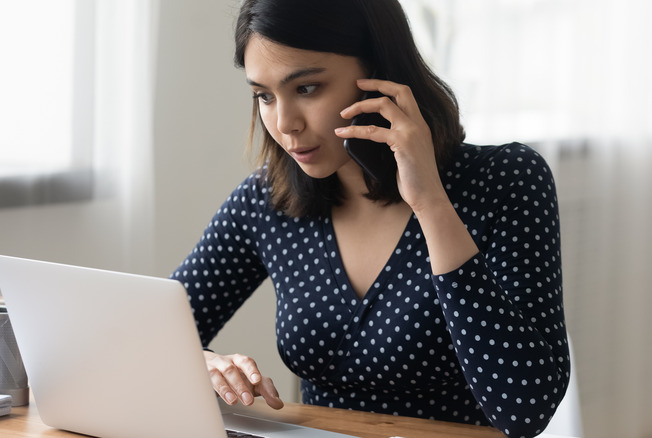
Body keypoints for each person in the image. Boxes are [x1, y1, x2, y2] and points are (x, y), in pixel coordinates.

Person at [170, 0, 570, 437]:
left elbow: (526, 410)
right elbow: (157, 332)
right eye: (264, 96)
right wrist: (205, 363)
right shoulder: (266, 201)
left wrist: (431, 204)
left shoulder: (505, 180)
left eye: (306, 88)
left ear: (379, 74)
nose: (284, 124)